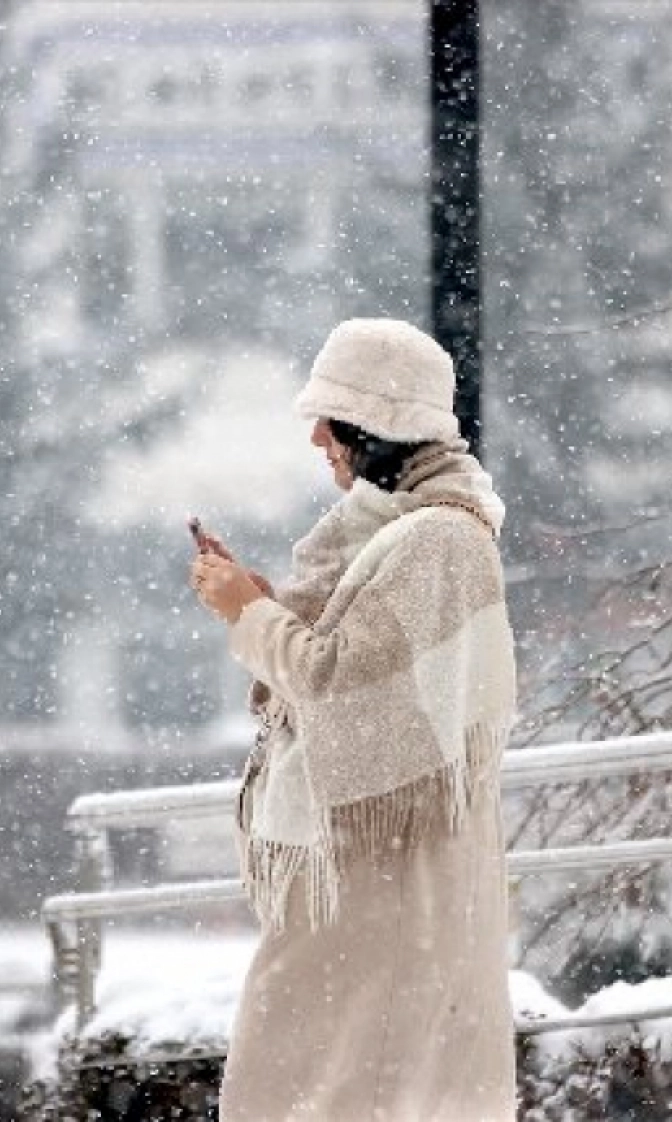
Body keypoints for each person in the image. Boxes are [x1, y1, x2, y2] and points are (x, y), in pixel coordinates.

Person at [189, 318, 519, 1121]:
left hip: (388, 884)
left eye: (330, 421)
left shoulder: (437, 541)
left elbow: (339, 685)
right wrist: (261, 606)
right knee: (312, 1080)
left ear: (377, 426)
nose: (316, 439)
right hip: (367, 877)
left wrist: (248, 616)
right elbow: (356, 670)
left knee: (333, 1089)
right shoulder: (398, 534)